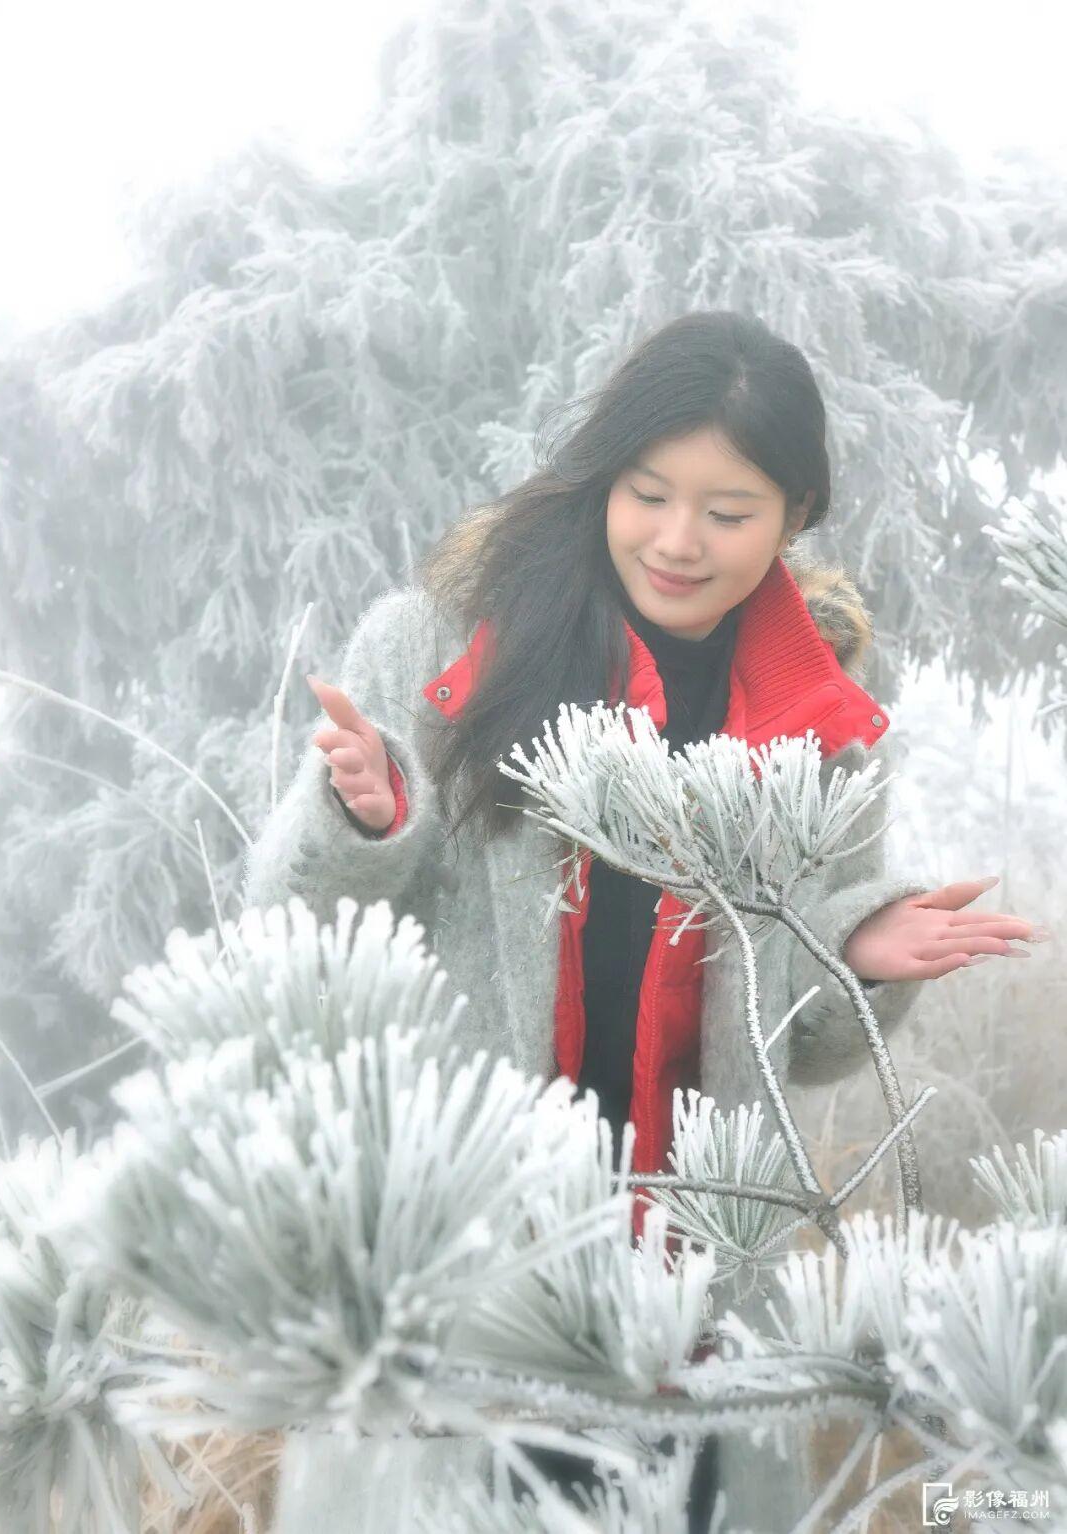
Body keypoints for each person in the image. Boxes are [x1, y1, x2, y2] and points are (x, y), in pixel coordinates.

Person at [243, 310, 1041, 1533]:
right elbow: (288, 932)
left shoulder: (816, 721)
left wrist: (859, 953)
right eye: (648, 493)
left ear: (794, 516)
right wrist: (370, 819)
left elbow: (807, 1047)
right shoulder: (447, 647)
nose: (678, 541)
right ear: (601, 479)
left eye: (729, 513)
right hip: (464, 1267)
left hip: (689, 1285)